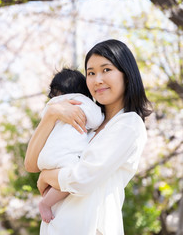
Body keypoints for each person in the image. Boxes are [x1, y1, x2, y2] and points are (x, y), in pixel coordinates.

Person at [24, 39, 152, 234]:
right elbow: (31, 164)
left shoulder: (128, 124)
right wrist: (51, 115)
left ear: (126, 75)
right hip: (56, 226)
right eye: (91, 73)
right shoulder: (86, 123)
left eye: (106, 70)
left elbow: (82, 179)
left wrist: (47, 176)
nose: (97, 79)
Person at [37, 68, 104, 223]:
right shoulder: (82, 102)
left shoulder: (52, 106)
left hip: (45, 157)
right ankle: (45, 203)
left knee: (58, 181)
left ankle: (48, 195)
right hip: (64, 157)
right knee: (71, 177)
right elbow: (96, 120)